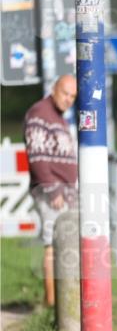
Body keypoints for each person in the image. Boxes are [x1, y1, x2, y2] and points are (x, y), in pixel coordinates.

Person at [23, 74, 77, 307]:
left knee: (64, 245)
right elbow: (36, 155)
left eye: (73, 96)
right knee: (52, 246)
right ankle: (52, 303)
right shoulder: (40, 113)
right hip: (51, 192)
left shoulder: (58, 118)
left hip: (65, 192)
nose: (69, 99)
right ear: (54, 89)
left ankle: (62, 301)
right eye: (65, 93)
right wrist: (53, 190)